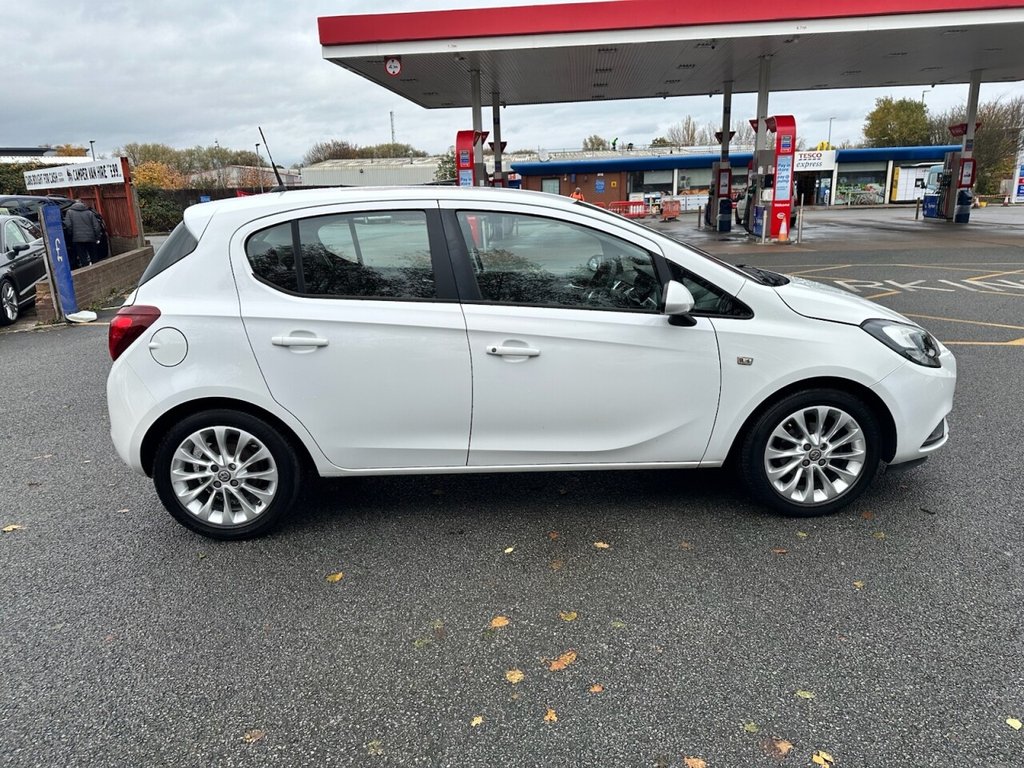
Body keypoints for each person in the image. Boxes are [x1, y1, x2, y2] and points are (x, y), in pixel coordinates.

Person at [63, 201, 102, 269]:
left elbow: (68, 225)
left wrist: (71, 234)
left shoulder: (69, 212)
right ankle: (96, 270)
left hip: (77, 239)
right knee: (94, 257)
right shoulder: (89, 213)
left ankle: (86, 271)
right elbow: (96, 226)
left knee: (83, 258)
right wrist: (97, 237)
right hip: (91, 238)